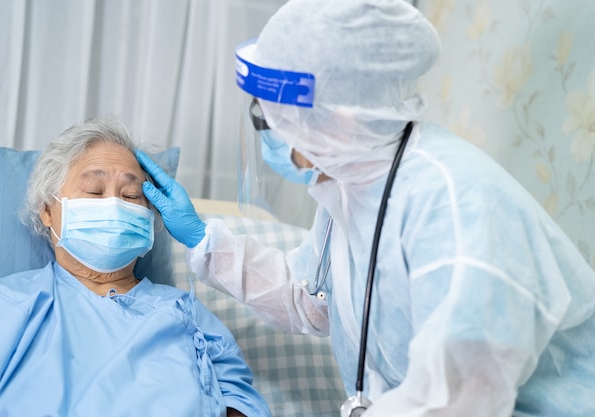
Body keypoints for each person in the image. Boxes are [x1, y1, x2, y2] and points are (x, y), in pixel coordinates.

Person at [136, 0, 595, 416]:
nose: (269, 134)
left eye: (271, 117)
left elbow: (456, 402)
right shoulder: (353, 181)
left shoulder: (456, 209)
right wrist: (203, 240)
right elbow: (312, 299)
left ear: (337, 119)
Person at [0, 116, 271, 417]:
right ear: (47, 211)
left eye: (131, 196)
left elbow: (241, 402)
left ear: (151, 217)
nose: (114, 204)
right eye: (94, 191)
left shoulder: (189, 315)